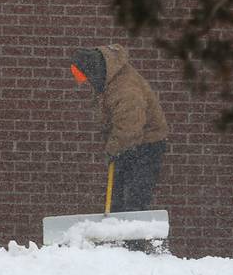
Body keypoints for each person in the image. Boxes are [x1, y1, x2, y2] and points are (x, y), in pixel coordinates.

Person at [70, 44, 169, 213]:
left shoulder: (125, 90)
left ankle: (133, 236)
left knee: (134, 198)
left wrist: (112, 149)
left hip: (146, 146)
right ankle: (117, 226)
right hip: (128, 145)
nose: (85, 82)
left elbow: (129, 127)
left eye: (84, 77)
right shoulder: (109, 79)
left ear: (94, 71)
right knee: (116, 197)